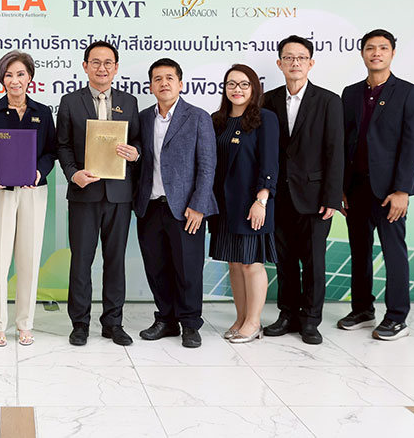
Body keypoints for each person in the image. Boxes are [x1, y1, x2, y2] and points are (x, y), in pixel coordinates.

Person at [338, 29, 414, 341]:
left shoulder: (408, 92)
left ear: (392, 53)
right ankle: (362, 309)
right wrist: (341, 187)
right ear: (362, 53)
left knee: (393, 252)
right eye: (370, 48)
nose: (376, 53)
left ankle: (397, 317)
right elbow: (344, 142)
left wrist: (402, 190)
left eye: (383, 48)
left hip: (390, 191)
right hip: (356, 187)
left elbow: (412, 144)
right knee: (359, 251)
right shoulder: (350, 93)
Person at [56, 40, 141, 347]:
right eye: (95, 62)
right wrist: (72, 173)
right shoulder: (70, 101)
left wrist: (135, 154)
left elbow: (138, 142)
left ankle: (113, 323)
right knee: (81, 261)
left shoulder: (129, 102)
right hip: (84, 193)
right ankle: (80, 324)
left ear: (116, 68)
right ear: (85, 66)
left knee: (115, 261)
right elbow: (63, 145)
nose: (102, 68)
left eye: (108, 63)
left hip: (119, 195)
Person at [262, 35, 344, 345]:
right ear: (279, 63)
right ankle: (287, 314)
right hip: (279, 195)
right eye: (288, 57)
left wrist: (332, 196)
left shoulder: (328, 101)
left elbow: (335, 152)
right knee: (284, 261)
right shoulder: (267, 100)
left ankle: (310, 320)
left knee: (313, 262)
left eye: (300, 58)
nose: (294, 62)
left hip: (315, 197)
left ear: (311, 63)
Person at [0, 51, 57, 347]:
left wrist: (39, 172)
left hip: (33, 193)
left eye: (20, 74)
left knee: (29, 260)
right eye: (9, 75)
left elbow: (51, 152)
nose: (15, 80)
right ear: (2, 79)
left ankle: (25, 324)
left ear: (29, 77)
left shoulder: (42, 112)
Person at [133, 58, 217, 348]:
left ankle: (190, 324)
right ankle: (166, 320)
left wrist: (199, 204)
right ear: (150, 86)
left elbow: (207, 165)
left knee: (188, 269)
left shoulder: (198, 117)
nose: (164, 83)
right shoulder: (143, 119)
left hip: (186, 209)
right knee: (156, 268)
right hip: (150, 206)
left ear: (180, 84)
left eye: (169, 78)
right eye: (157, 79)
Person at [209, 64, 279, 343]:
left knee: (251, 264)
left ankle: (253, 322)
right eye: (231, 84)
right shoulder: (218, 120)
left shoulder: (265, 119)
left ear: (254, 88)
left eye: (243, 84)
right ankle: (240, 318)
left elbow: (270, 162)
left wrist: (261, 200)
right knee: (235, 264)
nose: (237, 89)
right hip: (224, 205)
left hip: (252, 204)